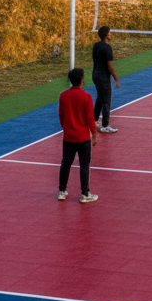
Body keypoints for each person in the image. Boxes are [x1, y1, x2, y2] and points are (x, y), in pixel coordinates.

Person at [58, 67, 98, 202]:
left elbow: (61, 116)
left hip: (68, 137)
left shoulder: (63, 96)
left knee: (66, 163)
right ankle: (85, 193)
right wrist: (93, 133)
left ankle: (62, 191)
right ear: (82, 80)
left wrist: (67, 128)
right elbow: (89, 118)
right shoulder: (86, 97)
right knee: (84, 165)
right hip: (83, 138)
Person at [92, 25, 121, 133]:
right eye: (110, 33)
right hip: (103, 76)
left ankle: (94, 120)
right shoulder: (107, 47)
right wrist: (116, 79)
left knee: (100, 97)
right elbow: (110, 65)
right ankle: (105, 125)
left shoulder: (96, 45)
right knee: (106, 100)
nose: (111, 34)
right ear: (106, 35)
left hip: (95, 75)